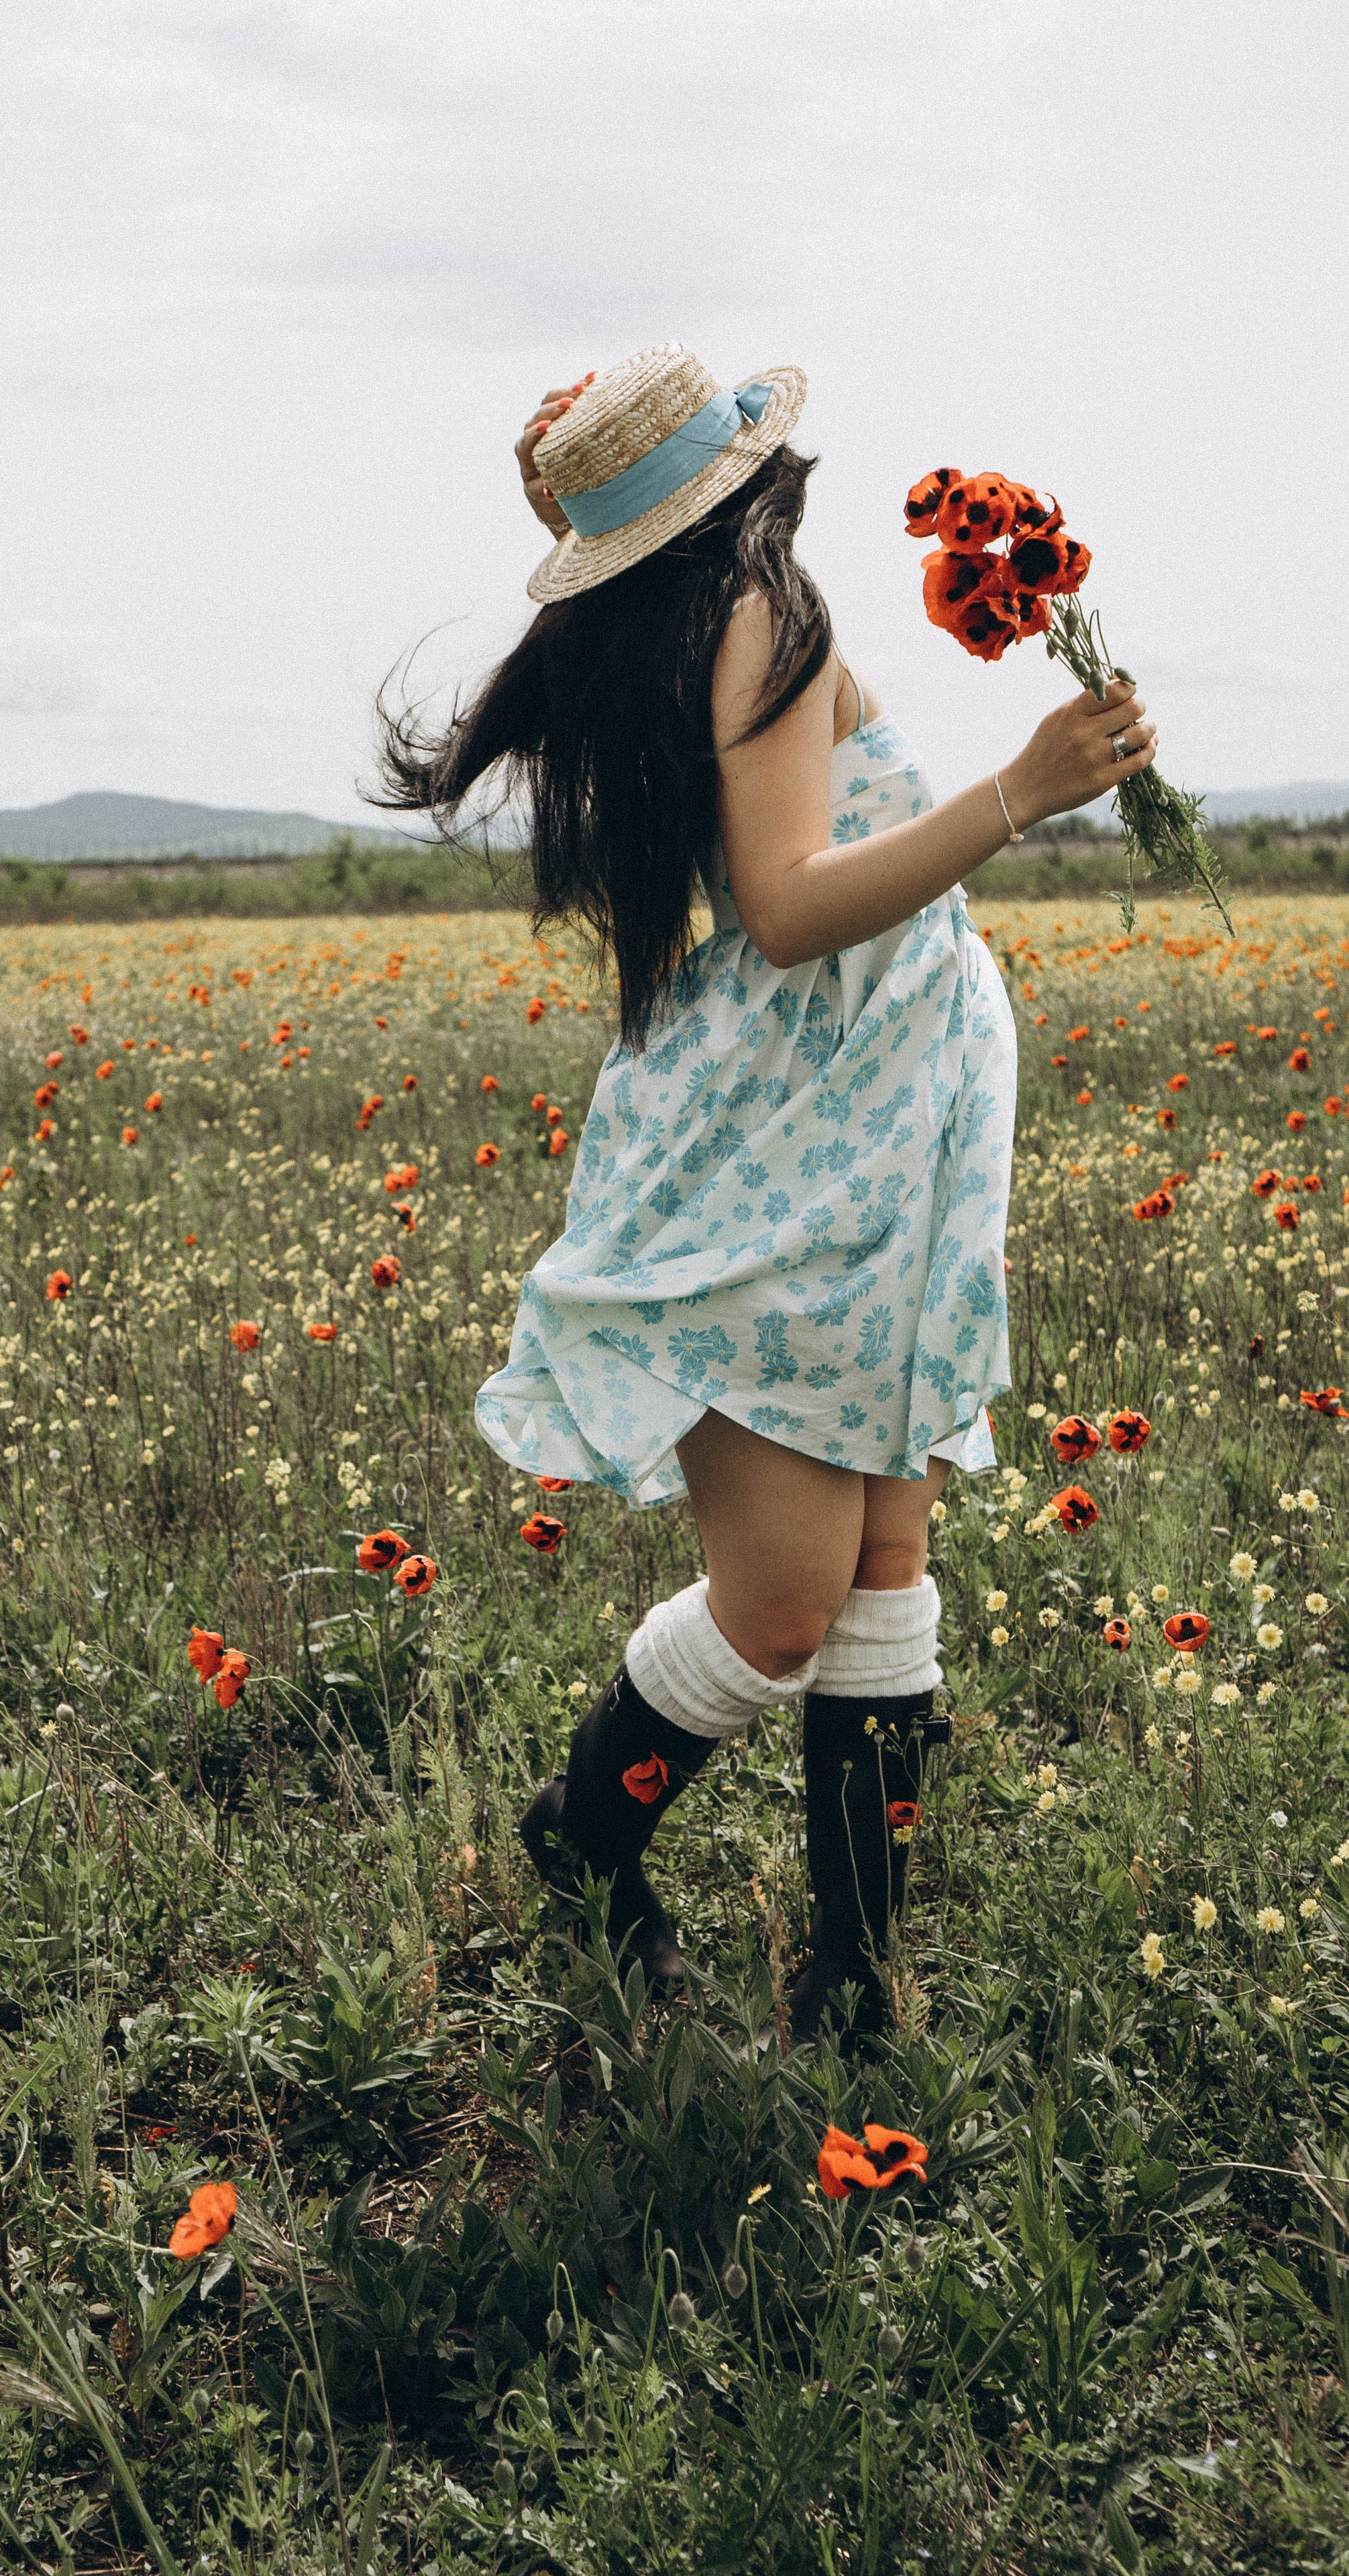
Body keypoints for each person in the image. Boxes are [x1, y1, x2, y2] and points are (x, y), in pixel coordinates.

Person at [376, 343, 1155, 2041]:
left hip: (858, 1132)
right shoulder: (758, 620)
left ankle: (853, 1981)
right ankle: (582, 1845)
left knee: (882, 1549)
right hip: (797, 1152)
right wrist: (1020, 789)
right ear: (740, 481)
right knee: (790, 1597)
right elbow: (792, 906)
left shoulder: (709, 626)